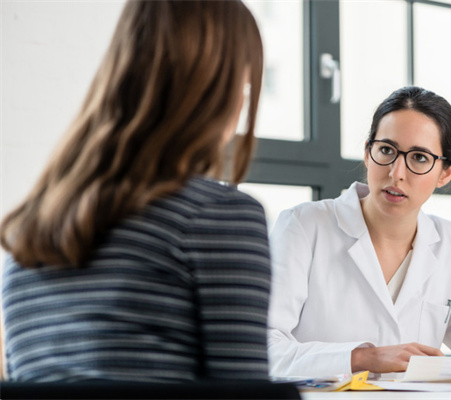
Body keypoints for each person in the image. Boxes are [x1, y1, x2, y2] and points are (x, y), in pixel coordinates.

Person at [1, 1, 267, 382]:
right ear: (216, 89)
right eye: (242, 84)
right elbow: (243, 393)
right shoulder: (219, 216)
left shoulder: (26, 233)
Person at [267, 86, 451, 383]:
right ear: (368, 153)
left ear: (445, 172)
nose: (396, 172)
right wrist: (362, 358)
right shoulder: (304, 226)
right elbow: (261, 348)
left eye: (419, 158)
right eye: (386, 150)